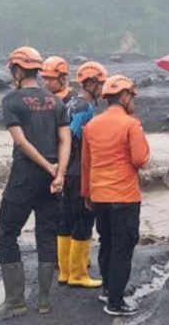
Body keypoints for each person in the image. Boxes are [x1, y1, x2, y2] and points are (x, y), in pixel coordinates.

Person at [0, 46, 71, 321]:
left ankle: (14, 301)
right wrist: (59, 173)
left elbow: (21, 142)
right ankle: (44, 301)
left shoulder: (11, 100)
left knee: (7, 233)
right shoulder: (56, 102)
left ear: (18, 70)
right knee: (46, 234)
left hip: (25, 174)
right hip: (52, 178)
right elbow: (65, 140)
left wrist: (48, 167)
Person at [81, 75, 150, 317]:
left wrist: (86, 193)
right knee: (122, 247)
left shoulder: (91, 126)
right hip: (124, 196)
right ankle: (116, 302)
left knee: (107, 242)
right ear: (123, 96)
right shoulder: (132, 124)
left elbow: (86, 164)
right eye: (131, 96)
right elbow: (140, 160)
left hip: (99, 195)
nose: (133, 101)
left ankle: (108, 289)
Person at [57, 61, 108, 288]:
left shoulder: (70, 103)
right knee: (83, 218)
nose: (104, 89)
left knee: (66, 219)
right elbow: (72, 136)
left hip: (65, 170)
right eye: (101, 84)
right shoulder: (85, 107)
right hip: (78, 169)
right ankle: (78, 274)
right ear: (91, 83)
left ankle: (65, 272)